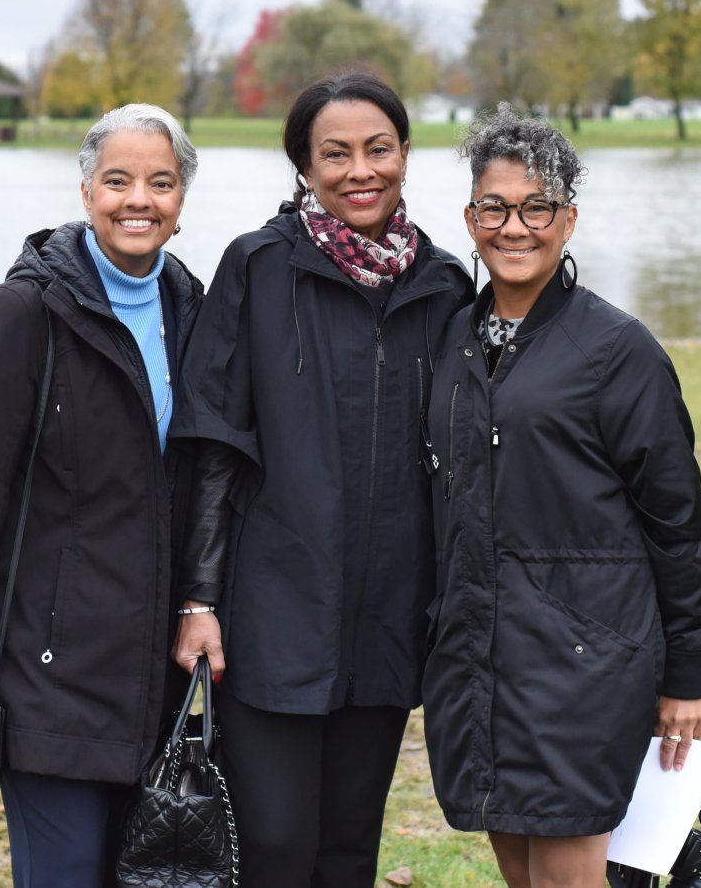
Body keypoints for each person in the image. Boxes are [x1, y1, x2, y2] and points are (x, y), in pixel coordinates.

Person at [171, 70, 474, 888]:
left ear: (407, 155)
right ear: (303, 166)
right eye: (333, 154)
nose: (359, 170)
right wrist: (198, 602)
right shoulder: (258, 269)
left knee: (348, 850)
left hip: (387, 617)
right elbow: (213, 445)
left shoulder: (444, 285)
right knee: (274, 848)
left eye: (378, 149)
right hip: (273, 616)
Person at [0, 103, 206, 888]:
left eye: (160, 182)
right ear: (85, 192)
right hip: (50, 672)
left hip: (156, 674)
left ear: (181, 200)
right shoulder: (22, 314)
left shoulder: (194, 311)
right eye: (117, 180)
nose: (138, 199)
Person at [424, 105, 701, 888]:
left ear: (569, 219)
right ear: (470, 216)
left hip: (583, 667)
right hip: (480, 661)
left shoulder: (617, 351)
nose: (514, 227)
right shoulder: (455, 342)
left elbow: (677, 523)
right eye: (495, 206)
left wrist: (687, 672)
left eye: (537, 207)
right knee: (519, 871)